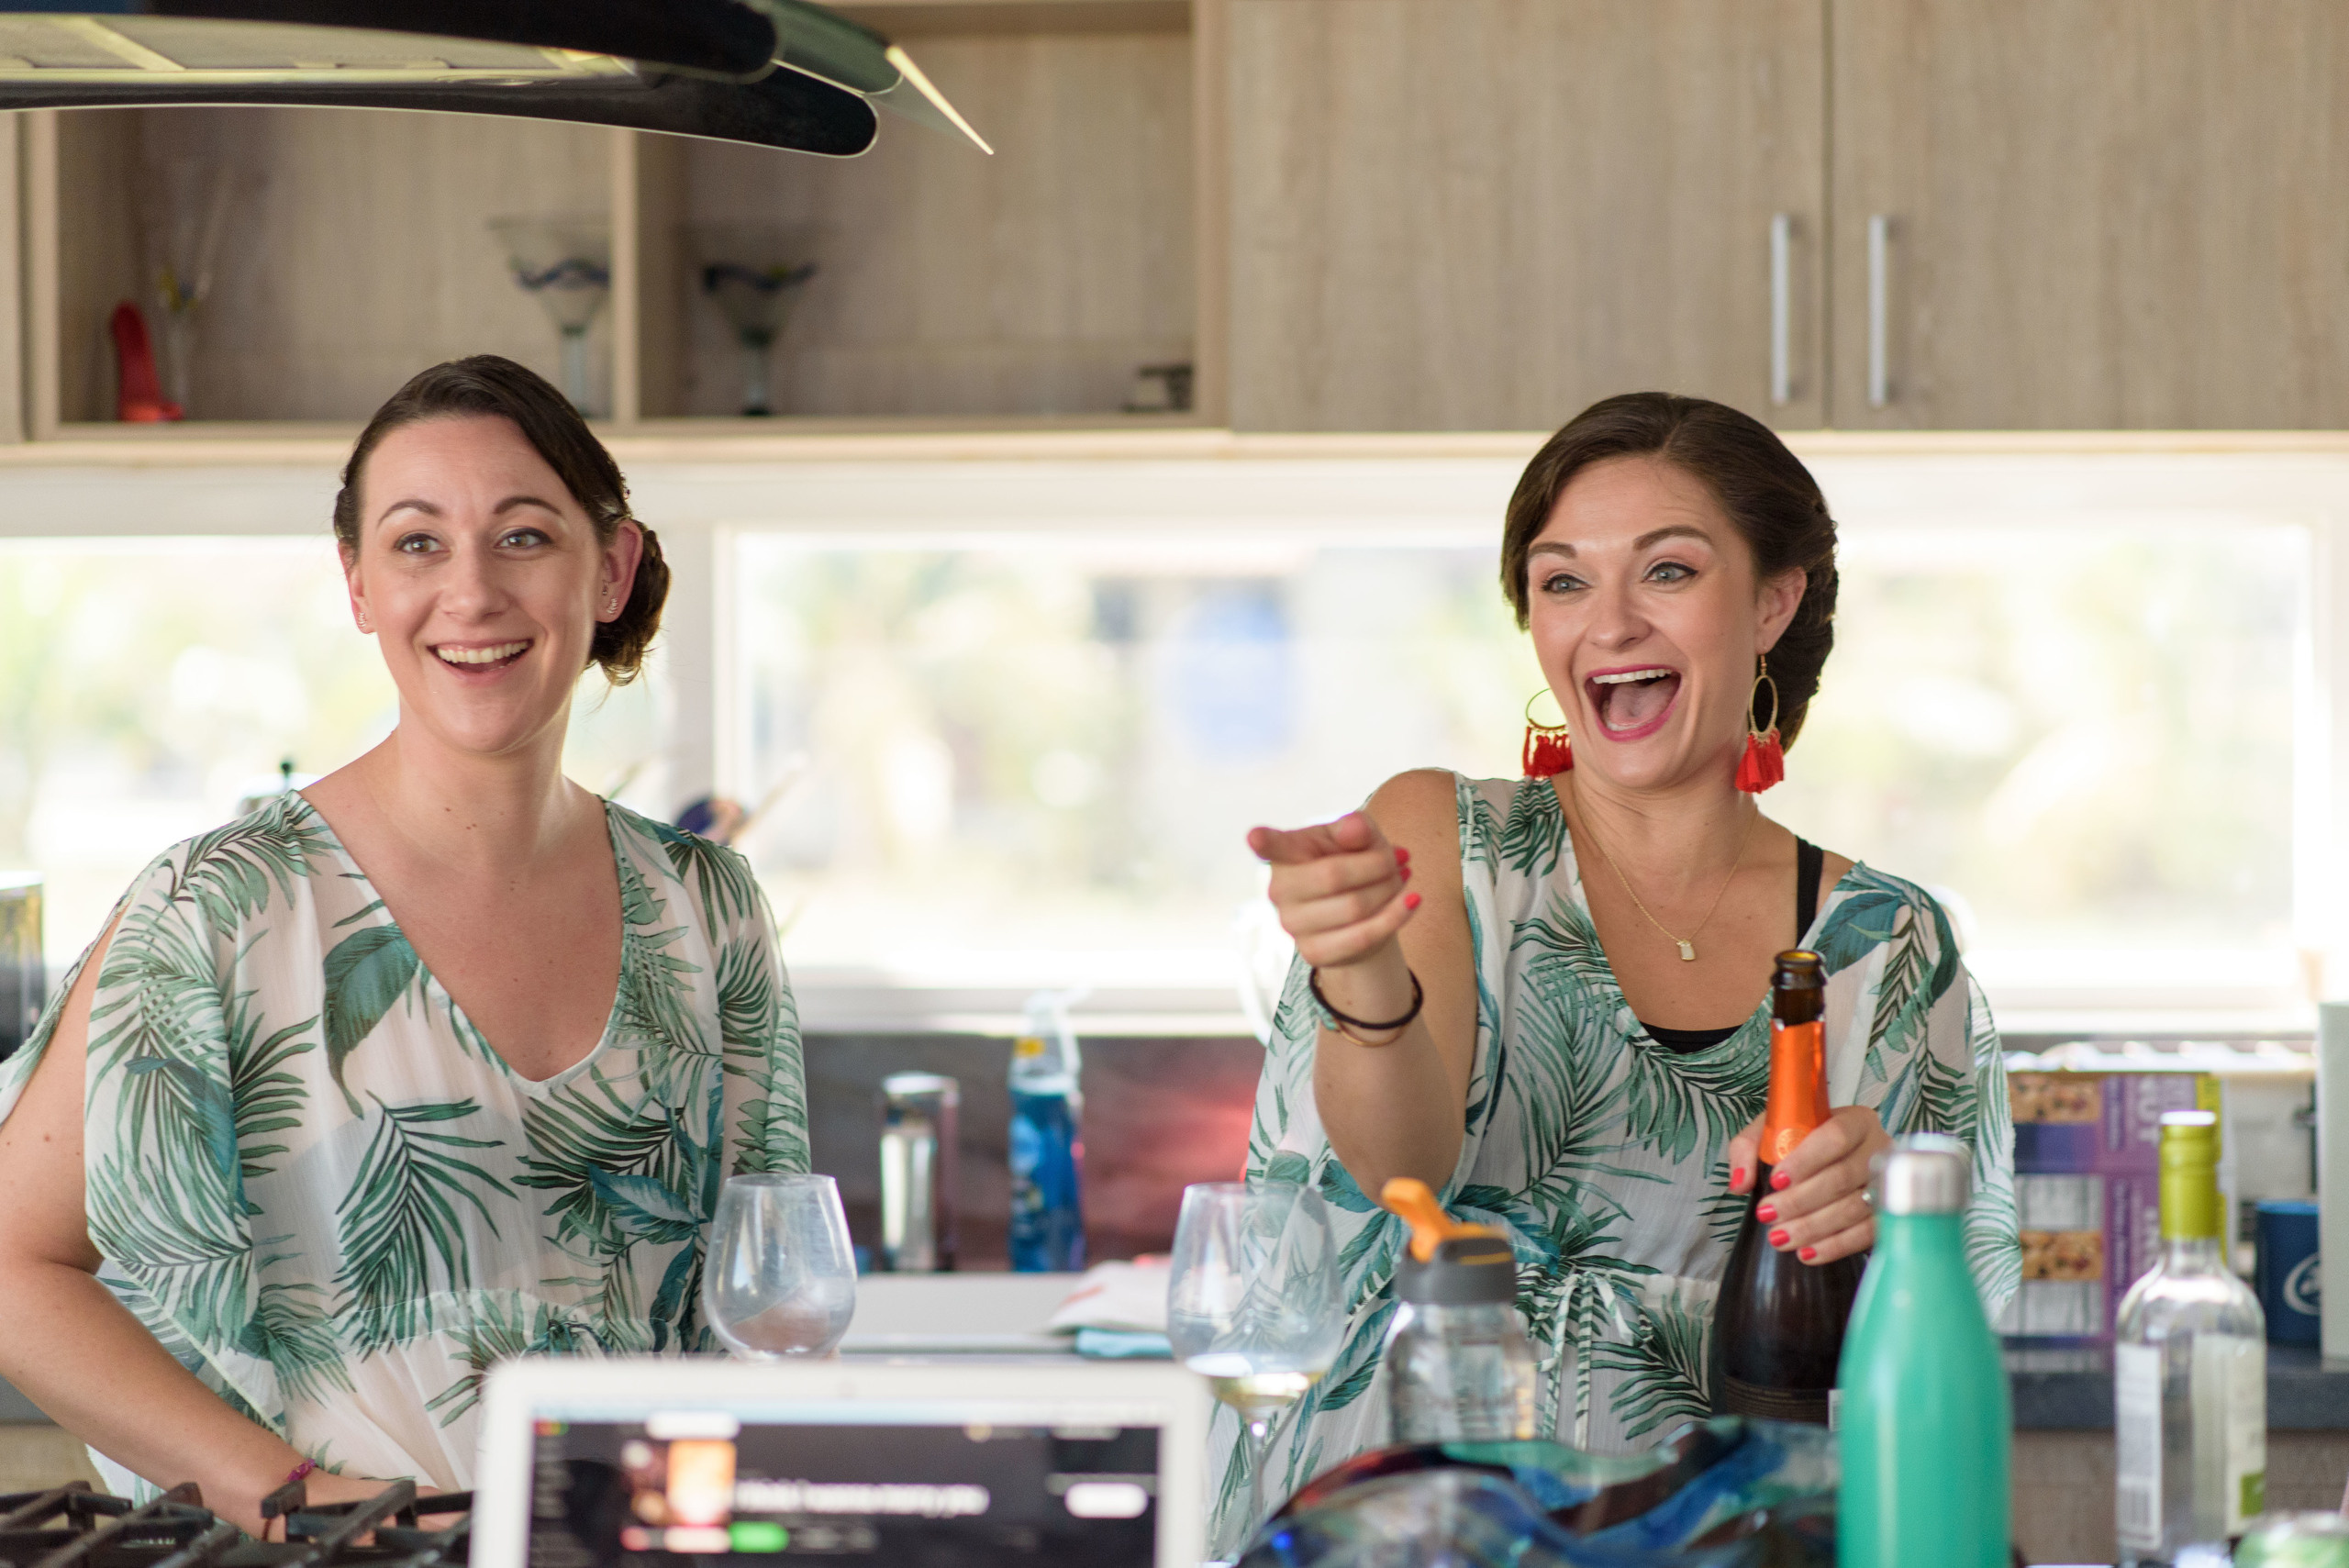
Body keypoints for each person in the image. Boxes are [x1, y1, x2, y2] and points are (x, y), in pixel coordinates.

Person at [0, 356, 807, 1531]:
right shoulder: (220, 908)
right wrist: (312, 1504)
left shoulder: (708, 905)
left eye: (523, 536)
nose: (470, 592)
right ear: (360, 586)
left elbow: (763, 1303)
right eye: (418, 542)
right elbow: (16, 1270)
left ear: (612, 567)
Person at [1237, 393, 2019, 1515]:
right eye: (1562, 580)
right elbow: (1399, 1168)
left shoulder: (1887, 942)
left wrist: (1884, 1213)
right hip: (1430, 1510)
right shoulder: (1446, 841)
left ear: (1772, 600)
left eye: (1666, 571)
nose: (1606, 625)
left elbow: (1933, 1339)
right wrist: (1360, 970)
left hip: (1722, 1525)